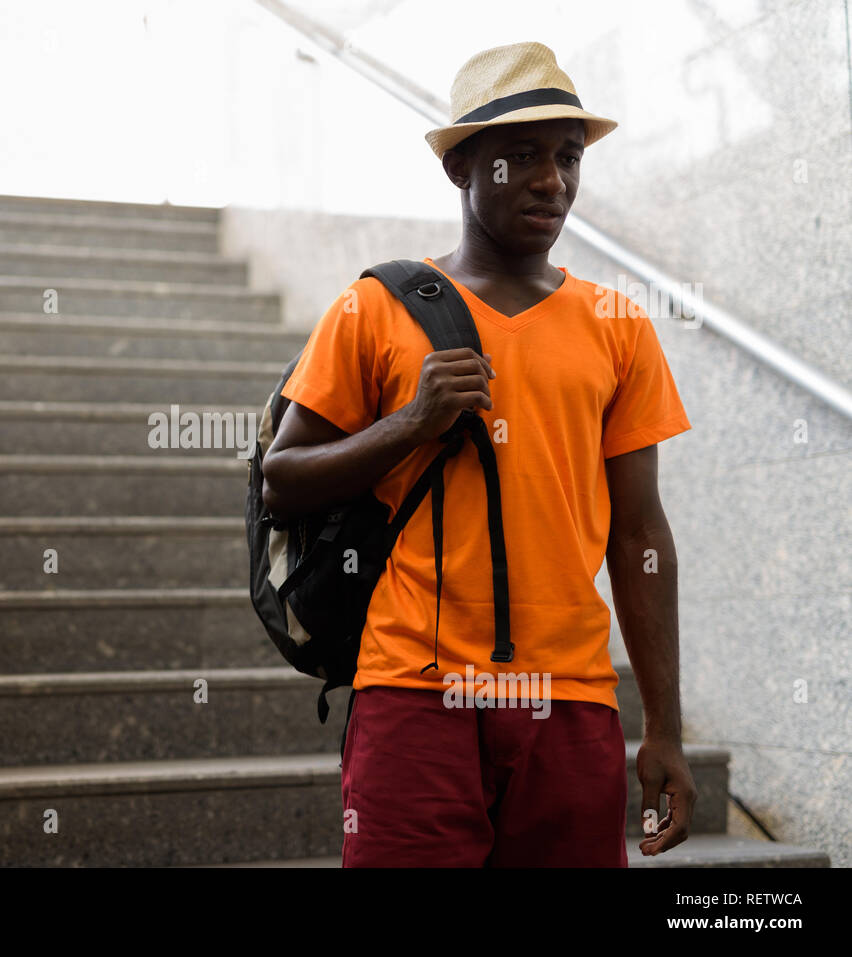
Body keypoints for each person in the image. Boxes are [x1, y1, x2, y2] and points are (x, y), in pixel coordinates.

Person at [260, 41, 696, 867]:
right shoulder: (373, 309)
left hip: (569, 700)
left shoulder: (619, 325)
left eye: (568, 158)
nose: (552, 180)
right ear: (462, 168)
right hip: (415, 692)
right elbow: (283, 482)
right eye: (521, 157)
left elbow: (640, 536)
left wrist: (665, 729)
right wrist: (408, 423)